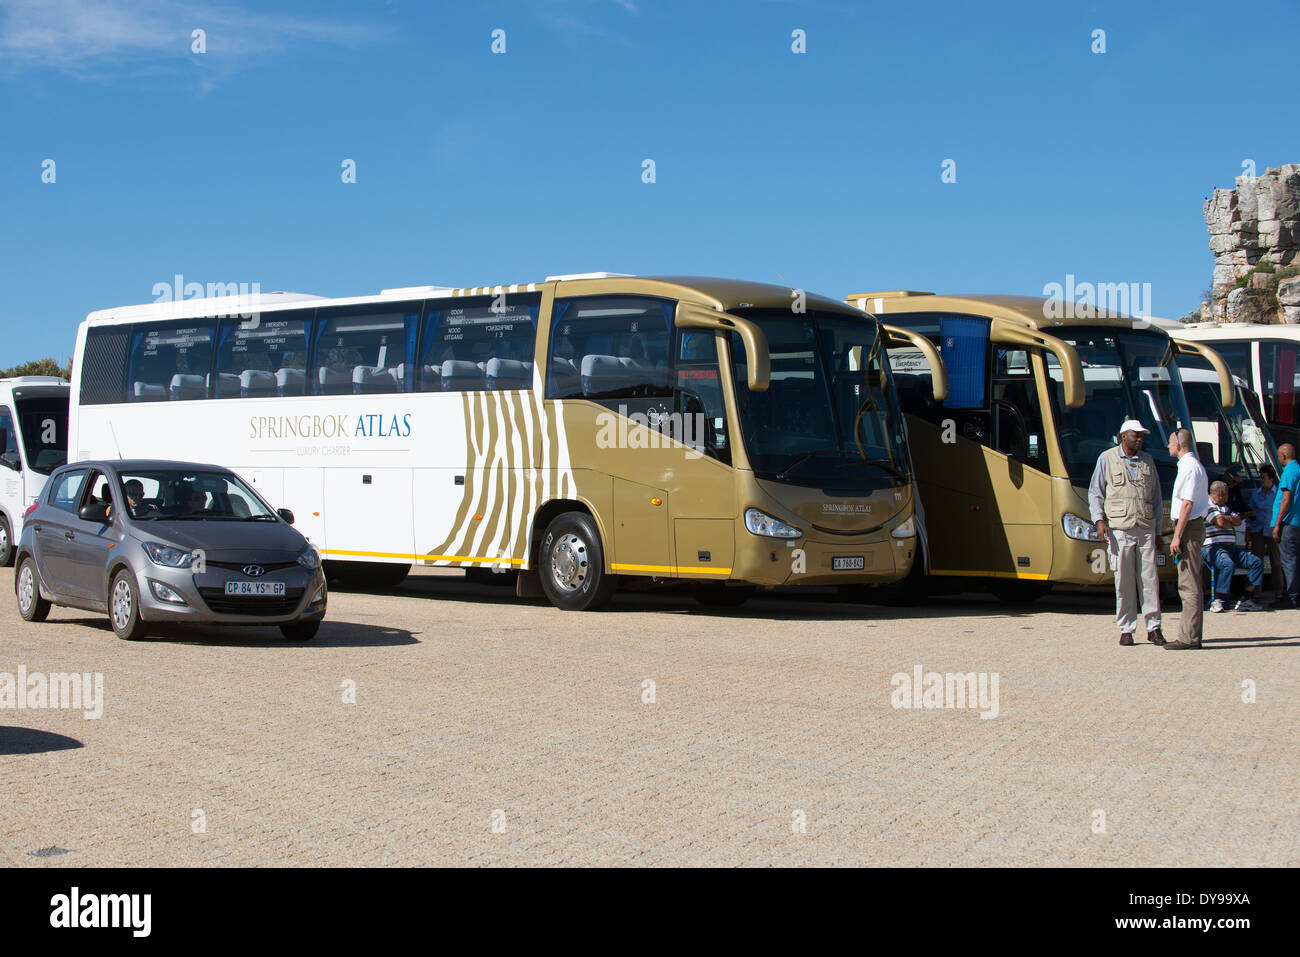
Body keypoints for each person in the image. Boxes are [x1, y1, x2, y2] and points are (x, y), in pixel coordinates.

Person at [1089, 419, 1164, 646]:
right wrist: (1099, 521)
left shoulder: (1148, 461)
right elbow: (1096, 493)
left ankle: (1154, 627)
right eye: (1136, 435)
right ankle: (1126, 628)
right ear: (1123, 436)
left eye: (1142, 436)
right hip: (1120, 529)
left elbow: (1157, 499)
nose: (1140, 439)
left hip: (1145, 527)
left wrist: (1158, 530)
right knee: (1123, 581)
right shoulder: (1107, 458)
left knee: (1150, 580)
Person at [1165, 428, 1209, 650]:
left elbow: (1187, 504)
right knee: (1190, 581)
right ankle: (1190, 634)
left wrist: (1177, 536)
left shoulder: (1190, 468)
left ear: (1180, 445)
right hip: (1191, 526)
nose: (1168, 446)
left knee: (1188, 583)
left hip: (1189, 527)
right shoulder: (1192, 466)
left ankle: (1188, 637)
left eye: (1171, 442)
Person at [1203, 480, 1266, 613]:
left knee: (1256, 563)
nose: (1228, 497)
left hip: (1231, 547)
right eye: (1226, 494)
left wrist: (1228, 520)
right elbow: (1220, 522)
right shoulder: (1206, 505)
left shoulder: (1225, 507)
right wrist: (1230, 520)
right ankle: (1218, 600)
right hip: (1214, 547)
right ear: (1220, 493)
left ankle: (1245, 599)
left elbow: (1237, 520)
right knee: (1228, 564)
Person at [1246, 464, 1282, 603]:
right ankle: (1256, 592)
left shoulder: (1278, 494)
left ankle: (1279, 592)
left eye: (1263, 477)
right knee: (1257, 561)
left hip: (1272, 530)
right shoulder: (1256, 493)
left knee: (1276, 562)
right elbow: (1250, 512)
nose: (1261, 480)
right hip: (1258, 530)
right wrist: (1248, 529)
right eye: (1260, 477)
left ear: (1271, 479)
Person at [1272, 443, 1300, 608]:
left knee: (1288, 560)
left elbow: (1286, 498)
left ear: (1283, 456)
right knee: (1296, 560)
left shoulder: (1289, 472)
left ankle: (1291, 596)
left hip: (1289, 523)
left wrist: (1277, 524)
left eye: (1278, 456)